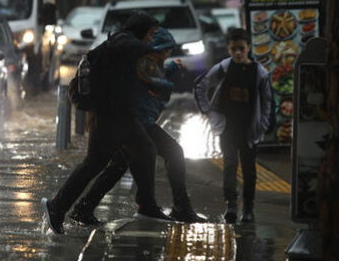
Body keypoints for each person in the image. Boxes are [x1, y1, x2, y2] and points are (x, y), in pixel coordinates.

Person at [68, 27, 206, 225]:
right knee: (173, 152)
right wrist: (169, 74)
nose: (168, 54)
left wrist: (168, 69)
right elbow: (155, 86)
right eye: (166, 50)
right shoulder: (143, 62)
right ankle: (177, 207)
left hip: (130, 122)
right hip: (136, 122)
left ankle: (83, 208)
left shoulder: (146, 62)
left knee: (117, 166)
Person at [41, 11, 160, 234]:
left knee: (142, 152)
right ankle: (56, 207)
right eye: (150, 34)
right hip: (106, 117)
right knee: (94, 163)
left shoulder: (126, 44)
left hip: (123, 117)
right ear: (141, 31)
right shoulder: (123, 41)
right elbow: (131, 50)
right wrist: (151, 51)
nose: (151, 39)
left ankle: (138, 206)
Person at [194, 28, 273, 223]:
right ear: (228, 49)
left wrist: (262, 125)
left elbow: (267, 100)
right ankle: (231, 206)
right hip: (227, 129)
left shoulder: (259, 72)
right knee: (229, 166)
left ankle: (248, 208)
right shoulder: (224, 67)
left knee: (249, 170)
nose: (237, 52)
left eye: (241, 48)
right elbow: (201, 86)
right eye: (233, 49)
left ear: (249, 48)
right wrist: (209, 112)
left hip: (249, 130)